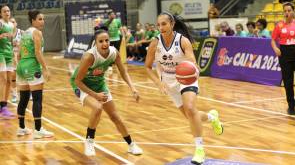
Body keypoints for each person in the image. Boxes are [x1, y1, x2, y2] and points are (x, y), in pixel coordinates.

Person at [145, 12, 223, 164]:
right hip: (168, 81)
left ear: (172, 24)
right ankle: (212, 118)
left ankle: (199, 149)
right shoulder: (155, 43)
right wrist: (159, 83)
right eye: (159, 25)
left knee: (190, 108)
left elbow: (192, 61)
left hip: (186, 77)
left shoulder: (183, 41)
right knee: (191, 115)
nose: (161, 27)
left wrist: (194, 68)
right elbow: (147, 67)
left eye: (164, 24)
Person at [70, 26, 143, 156]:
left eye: (106, 40)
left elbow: (123, 71)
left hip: (99, 85)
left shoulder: (114, 53)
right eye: (101, 41)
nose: (104, 44)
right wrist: (95, 95)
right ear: (95, 43)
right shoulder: (89, 57)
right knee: (97, 108)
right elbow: (77, 81)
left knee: (115, 116)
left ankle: (131, 145)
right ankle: (89, 141)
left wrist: (133, 88)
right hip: (81, 85)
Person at [16, 10, 54, 138]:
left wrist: (20, 67)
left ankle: (21, 128)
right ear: (33, 20)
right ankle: (38, 130)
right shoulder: (37, 32)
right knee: (37, 98)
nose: (42, 21)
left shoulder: (25, 32)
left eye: (43, 19)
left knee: (23, 98)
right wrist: (45, 68)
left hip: (21, 66)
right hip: (32, 66)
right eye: (39, 19)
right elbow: (38, 52)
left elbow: (19, 53)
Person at [0, 5, 15, 119]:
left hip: (9, 53)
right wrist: (2, 35)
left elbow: (11, 39)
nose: (7, 12)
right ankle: (1, 106)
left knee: (10, 80)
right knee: (3, 79)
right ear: (1, 13)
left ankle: (4, 105)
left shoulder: (11, 24)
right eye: (4, 11)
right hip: (1, 54)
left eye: (8, 11)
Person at [10, 17, 23, 103]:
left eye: (13, 22)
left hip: (21, 57)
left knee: (24, 76)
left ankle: (28, 93)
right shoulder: (6, 34)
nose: (12, 24)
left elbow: (28, 44)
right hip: (11, 58)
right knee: (13, 77)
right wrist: (11, 44)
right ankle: (14, 95)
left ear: (16, 23)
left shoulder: (22, 32)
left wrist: (20, 44)